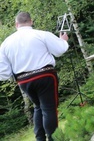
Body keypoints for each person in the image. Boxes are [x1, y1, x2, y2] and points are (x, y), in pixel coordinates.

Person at [0, 12, 68, 141]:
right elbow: (59, 50)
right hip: (45, 75)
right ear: (31, 21)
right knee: (49, 108)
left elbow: (3, 73)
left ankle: (40, 138)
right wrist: (63, 41)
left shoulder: (5, 44)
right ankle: (54, 138)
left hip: (24, 81)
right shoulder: (41, 34)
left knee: (38, 107)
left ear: (16, 24)